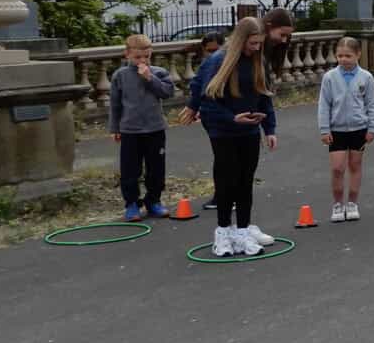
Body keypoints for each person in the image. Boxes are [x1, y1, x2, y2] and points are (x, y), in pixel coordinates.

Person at [189, 17, 278, 256]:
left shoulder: (258, 61)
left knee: (245, 180)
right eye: (252, 43)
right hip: (223, 130)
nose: (256, 48)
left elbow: (264, 96)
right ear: (240, 40)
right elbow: (207, 100)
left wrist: (269, 128)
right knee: (227, 179)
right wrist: (232, 118)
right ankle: (222, 231)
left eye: (259, 43)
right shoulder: (219, 61)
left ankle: (242, 231)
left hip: (249, 129)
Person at [108, 33, 175, 221]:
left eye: (146, 56)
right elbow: (115, 104)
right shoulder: (120, 76)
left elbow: (167, 92)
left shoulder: (159, 72)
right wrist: (114, 128)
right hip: (130, 130)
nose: (142, 60)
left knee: (156, 168)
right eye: (138, 57)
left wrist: (150, 78)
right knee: (130, 170)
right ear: (127, 54)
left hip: (155, 128)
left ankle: (153, 200)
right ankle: (131, 203)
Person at [318, 37, 374, 222]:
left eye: (348, 56)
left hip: (359, 128)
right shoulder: (330, 77)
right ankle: (338, 204)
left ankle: (352, 203)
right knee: (337, 168)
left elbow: (372, 104)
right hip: (336, 130)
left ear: (358, 55)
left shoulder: (366, 77)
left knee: (355, 165)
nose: (343, 59)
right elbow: (324, 104)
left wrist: (372, 128)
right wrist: (324, 129)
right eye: (340, 56)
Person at [178, 32, 225, 208]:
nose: (213, 54)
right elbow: (198, 87)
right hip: (213, 117)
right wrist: (194, 107)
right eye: (209, 51)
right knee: (222, 157)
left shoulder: (228, 62)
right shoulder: (207, 65)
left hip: (230, 116)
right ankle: (222, 195)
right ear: (203, 50)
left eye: (217, 50)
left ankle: (229, 195)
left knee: (230, 159)